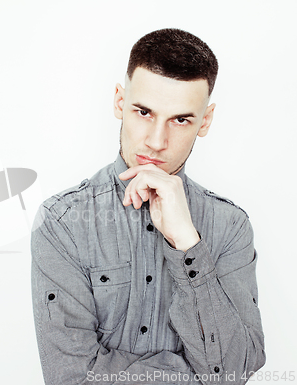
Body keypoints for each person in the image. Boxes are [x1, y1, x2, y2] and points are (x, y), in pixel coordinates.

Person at [30, 28, 266, 385]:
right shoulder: (62, 224)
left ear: (205, 121)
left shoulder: (230, 226)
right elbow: (71, 377)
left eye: (181, 119)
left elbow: (236, 369)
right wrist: (193, 373)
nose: (157, 142)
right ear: (119, 102)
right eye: (143, 112)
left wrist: (188, 243)